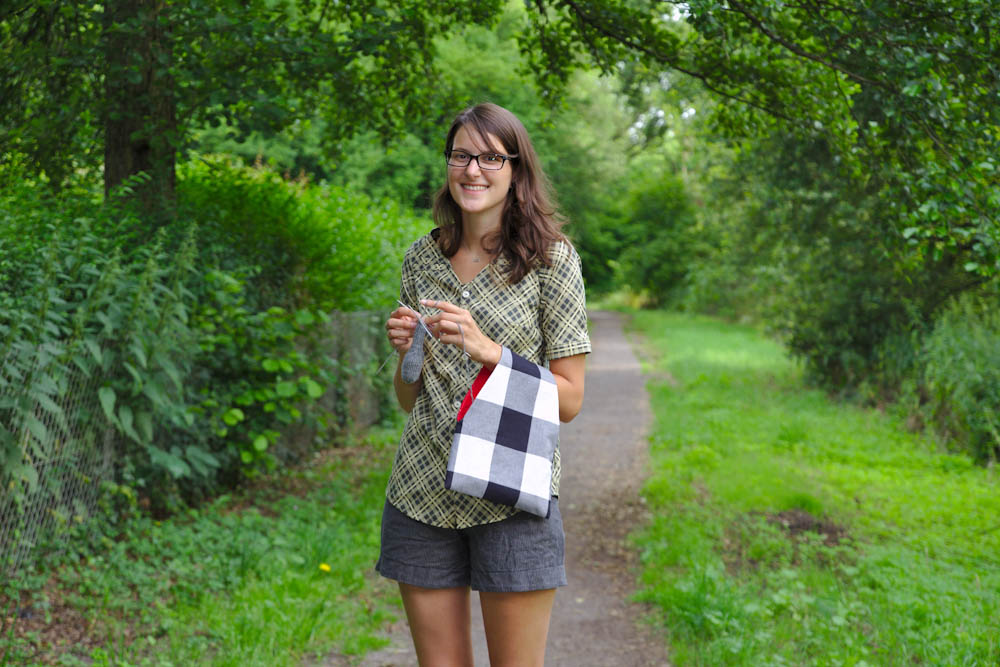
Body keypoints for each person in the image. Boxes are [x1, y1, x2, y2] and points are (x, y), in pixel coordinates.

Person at [378, 102, 591, 667]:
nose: (473, 170)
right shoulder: (422, 258)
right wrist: (408, 355)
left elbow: (569, 400)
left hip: (511, 496)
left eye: (491, 157)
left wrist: (489, 351)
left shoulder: (552, 260)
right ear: (448, 165)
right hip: (420, 494)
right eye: (461, 155)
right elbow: (409, 398)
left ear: (516, 169)